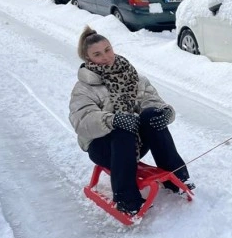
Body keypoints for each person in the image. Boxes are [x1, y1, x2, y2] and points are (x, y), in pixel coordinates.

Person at [69, 26, 194, 215]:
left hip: (134, 144)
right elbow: (82, 121)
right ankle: (126, 199)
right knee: (122, 127)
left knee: (152, 116)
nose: (106, 57)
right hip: (103, 148)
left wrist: (165, 113)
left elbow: (152, 101)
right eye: (97, 54)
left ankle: (177, 177)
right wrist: (112, 120)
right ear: (88, 59)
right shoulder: (84, 88)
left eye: (107, 49)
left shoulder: (133, 76)